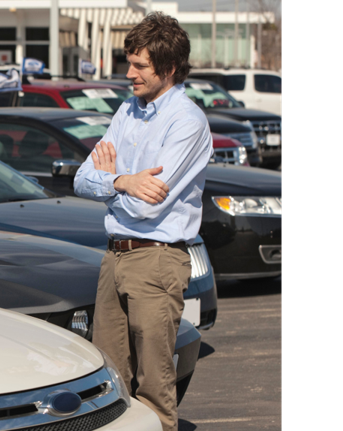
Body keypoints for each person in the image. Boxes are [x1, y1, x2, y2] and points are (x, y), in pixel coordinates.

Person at [73, 12, 213, 431]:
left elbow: (148, 208)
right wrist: (122, 181)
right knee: (108, 381)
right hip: (114, 259)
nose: (128, 73)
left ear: (168, 69)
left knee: (154, 388)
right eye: (128, 62)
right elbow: (83, 178)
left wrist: (114, 187)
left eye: (139, 66)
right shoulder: (127, 111)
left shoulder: (186, 122)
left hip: (156, 262)